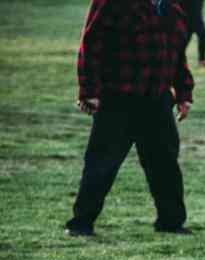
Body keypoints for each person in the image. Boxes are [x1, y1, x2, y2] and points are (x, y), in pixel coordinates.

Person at [66, 0, 194, 237]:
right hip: (117, 99)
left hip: (157, 101)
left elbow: (176, 53)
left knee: (165, 165)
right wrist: (89, 91)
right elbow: (91, 45)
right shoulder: (111, 3)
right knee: (101, 164)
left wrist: (184, 93)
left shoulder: (171, 8)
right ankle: (81, 223)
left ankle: (170, 222)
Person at [185, 0, 205, 66]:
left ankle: (202, 60)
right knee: (202, 34)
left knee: (202, 35)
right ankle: (202, 60)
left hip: (195, 16)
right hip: (187, 16)